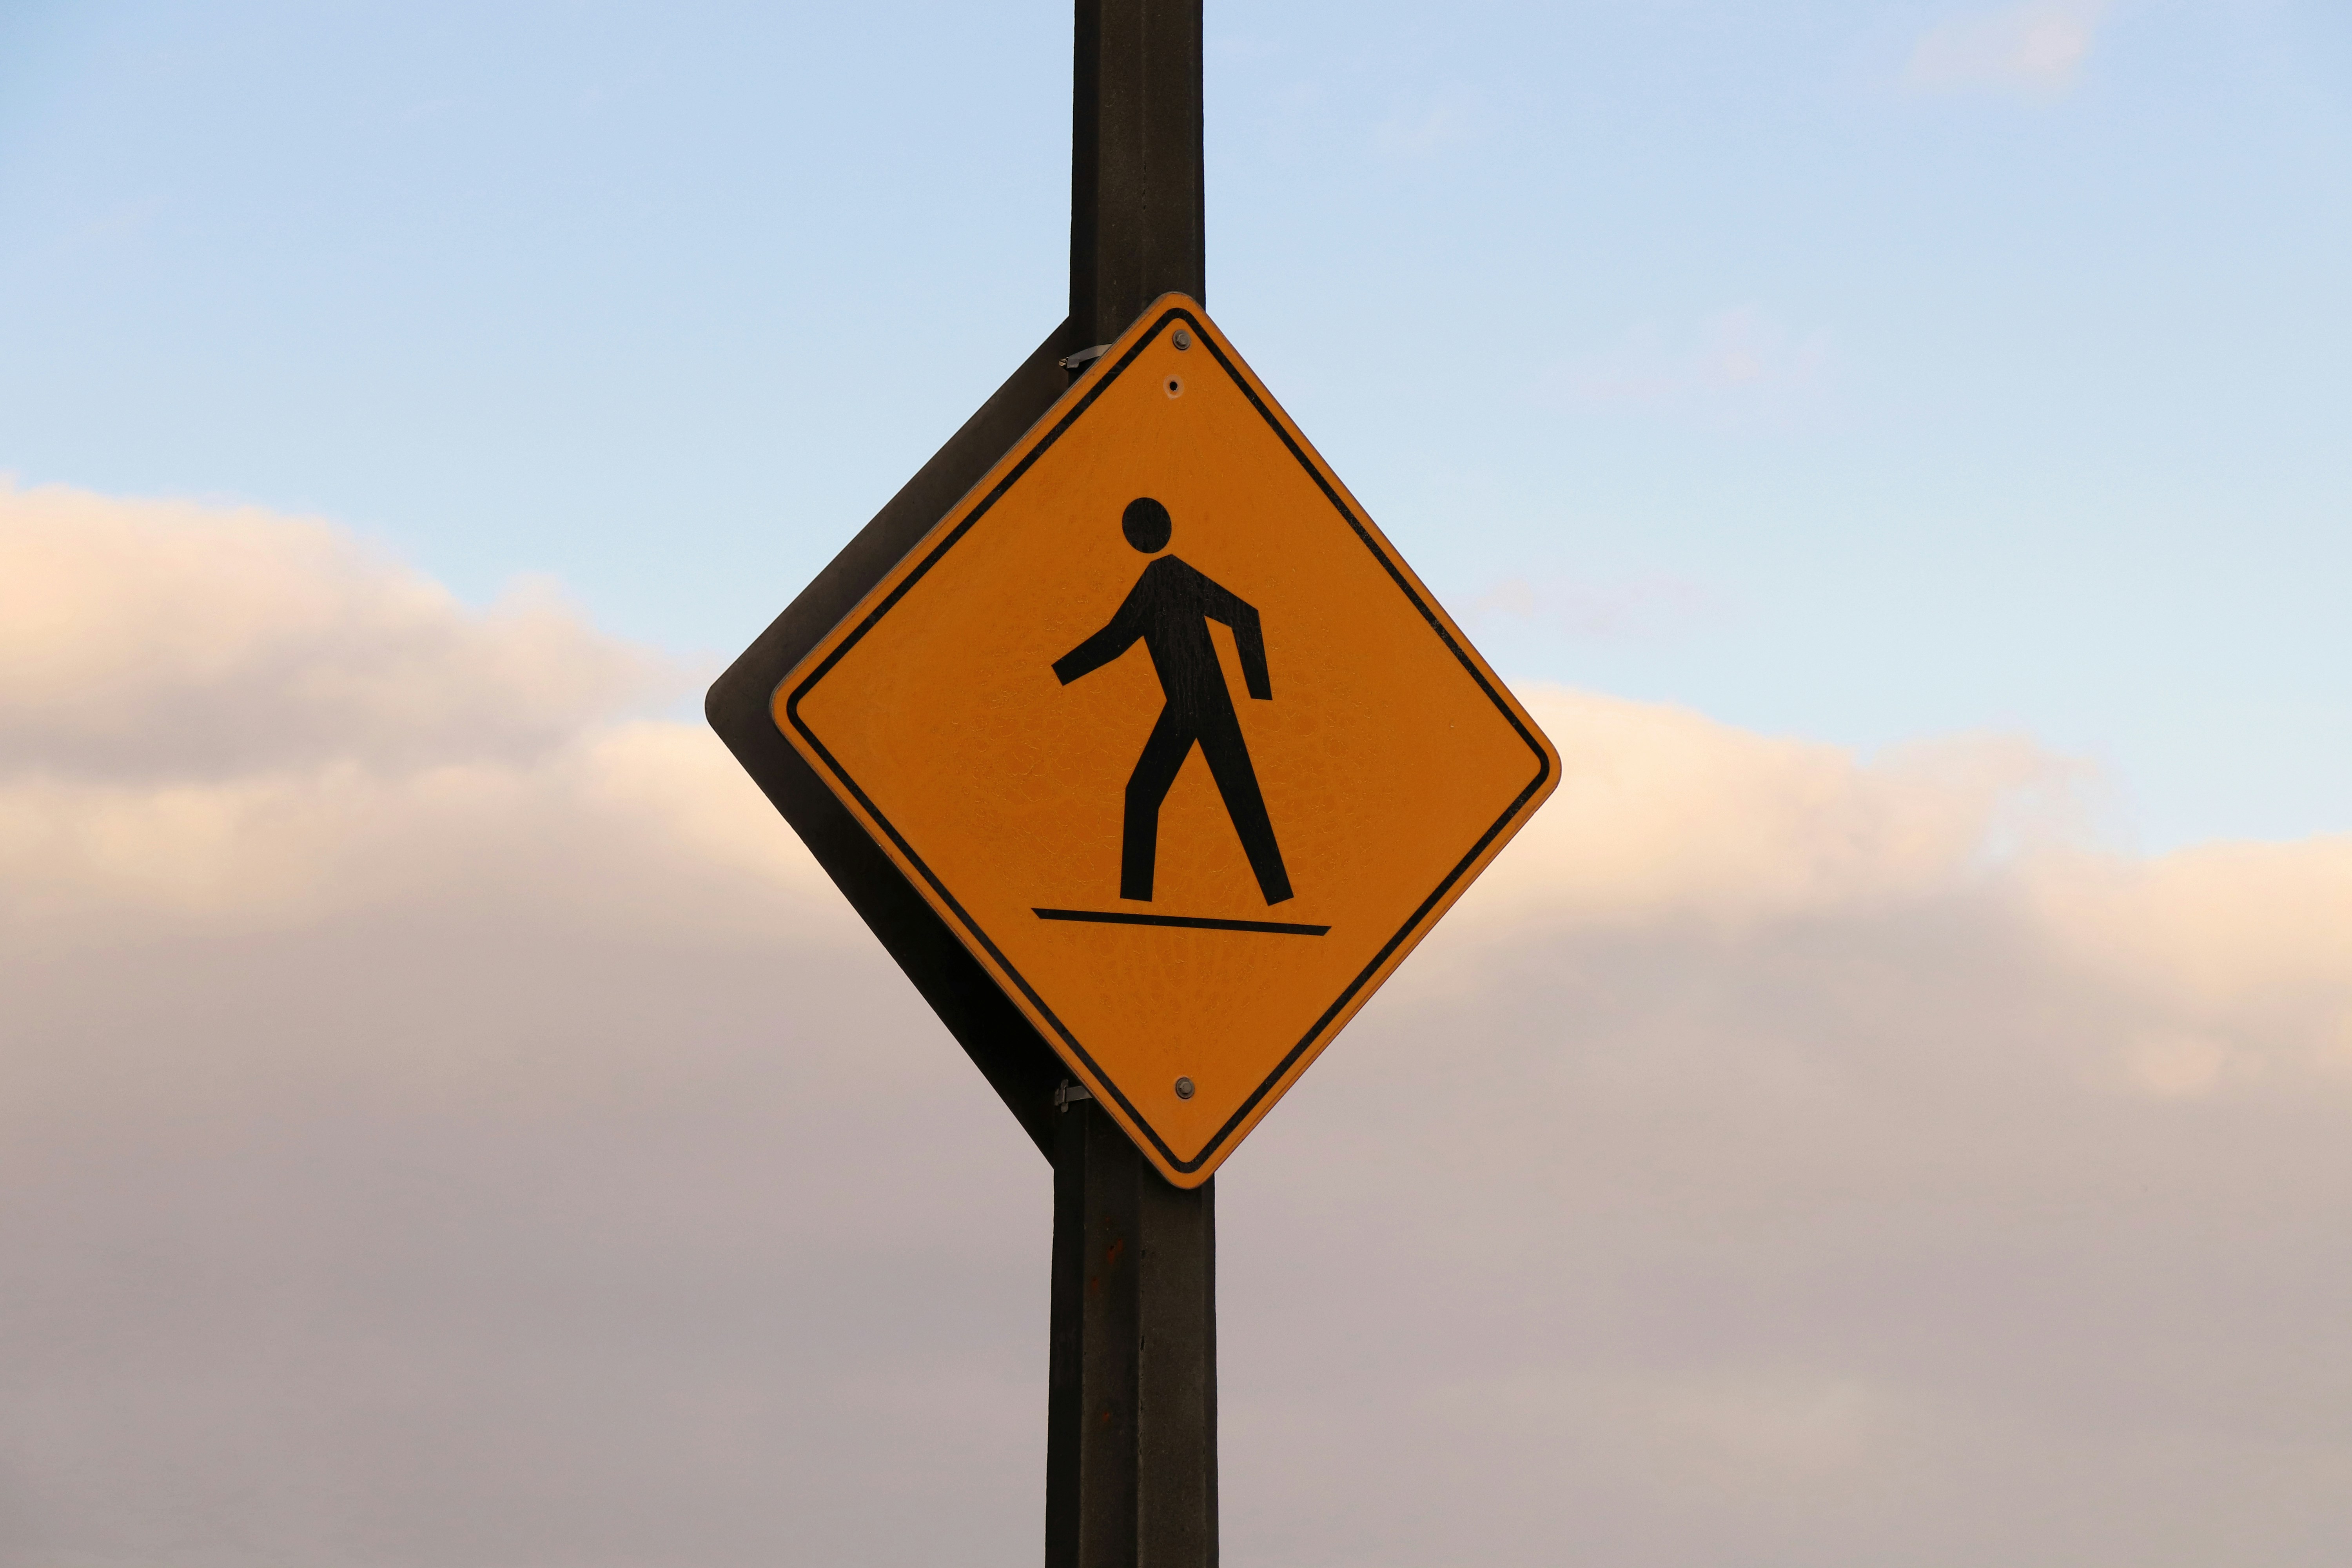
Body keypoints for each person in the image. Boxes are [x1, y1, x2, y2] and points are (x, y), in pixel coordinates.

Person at [1052, 497, 1294, 906]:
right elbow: (1117, 639)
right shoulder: (1162, 577)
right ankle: (1139, 902)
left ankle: (1277, 900)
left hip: (1204, 701)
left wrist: (1260, 694)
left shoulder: (1169, 575)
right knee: (1162, 795)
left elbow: (1243, 616)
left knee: (1225, 797)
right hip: (1188, 704)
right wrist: (1059, 673)